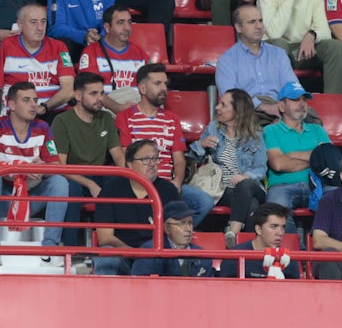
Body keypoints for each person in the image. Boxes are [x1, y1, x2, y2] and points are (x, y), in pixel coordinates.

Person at [0, 81, 71, 261]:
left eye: (35, 100)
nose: (33, 104)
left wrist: (42, 168)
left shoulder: (43, 127)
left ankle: (49, 248)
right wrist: (19, 167)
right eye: (26, 100)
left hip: (27, 199)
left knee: (59, 181)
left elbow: (55, 165)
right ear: (11, 104)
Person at [115, 63, 213, 224]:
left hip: (167, 184)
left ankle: (171, 235)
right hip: (140, 183)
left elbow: (179, 159)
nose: (163, 88)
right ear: (142, 88)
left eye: (165, 84)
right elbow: (126, 158)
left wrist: (177, 182)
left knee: (204, 202)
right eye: (157, 83)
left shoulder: (171, 119)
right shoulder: (125, 117)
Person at [44, 71, 124, 237]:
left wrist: (128, 177)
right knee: (70, 188)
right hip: (73, 176)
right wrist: (89, 183)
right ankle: (70, 250)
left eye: (102, 93)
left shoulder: (107, 119)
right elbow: (61, 166)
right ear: (78, 95)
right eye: (93, 93)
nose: (100, 98)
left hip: (100, 174)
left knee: (123, 185)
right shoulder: (62, 121)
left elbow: (118, 156)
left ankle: (115, 245)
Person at [192, 88, 269, 249]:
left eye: (223, 105)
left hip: (251, 186)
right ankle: (246, 251)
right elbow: (192, 158)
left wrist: (246, 176)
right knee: (252, 205)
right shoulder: (213, 128)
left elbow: (261, 168)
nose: (217, 107)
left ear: (237, 110)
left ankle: (232, 232)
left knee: (245, 185)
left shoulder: (256, 135)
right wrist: (201, 145)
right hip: (222, 189)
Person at [259, 0, 342, 94]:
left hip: (303, 49)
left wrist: (312, 34)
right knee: (280, 44)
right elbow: (274, 33)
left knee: (333, 45)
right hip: (275, 49)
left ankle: (333, 104)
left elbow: (324, 30)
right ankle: (279, 98)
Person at [92, 139, 181, 276]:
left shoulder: (169, 190)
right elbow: (105, 238)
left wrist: (152, 255)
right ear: (130, 164)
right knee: (107, 255)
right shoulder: (111, 188)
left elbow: (176, 234)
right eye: (145, 159)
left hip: (157, 257)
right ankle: (105, 296)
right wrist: (137, 255)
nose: (152, 164)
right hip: (124, 255)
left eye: (155, 159)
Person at [215, 4, 301, 119]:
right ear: (238, 27)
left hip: (280, 110)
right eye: (252, 22)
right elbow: (230, 98)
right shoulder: (226, 60)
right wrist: (263, 106)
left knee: (311, 120)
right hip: (248, 112)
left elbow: (292, 86)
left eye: (260, 21)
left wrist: (282, 106)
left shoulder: (279, 54)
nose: (259, 26)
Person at [0, 3, 76, 117]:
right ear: (20, 25)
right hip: (19, 116)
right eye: (33, 22)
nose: (40, 28)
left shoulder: (59, 47)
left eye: (43, 21)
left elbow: (69, 90)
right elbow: (0, 86)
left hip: (54, 113)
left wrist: (44, 107)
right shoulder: (8, 45)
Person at [263, 84, 331, 215]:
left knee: (341, 199)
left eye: (304, 100)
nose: (302, 104)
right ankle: (292, 237)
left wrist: (290, 155)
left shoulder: (317, 130)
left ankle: (322, 236)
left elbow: (330, 160)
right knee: (276, 208)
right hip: (282, 187)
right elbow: (278, 164)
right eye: (295, 100)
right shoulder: (270, 131)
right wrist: (316, 160)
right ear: (282, 106)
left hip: (318, 186)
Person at [79, 5, 150, 111]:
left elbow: (150, 84)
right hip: (105, 111)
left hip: (137, 109)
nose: (127, 28)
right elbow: (90, 90)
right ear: (107, 27)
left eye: (129, 22)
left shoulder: (139, 52)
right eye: (121, 23)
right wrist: (116, 107)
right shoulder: (91, 52)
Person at [132, 200, 220, 278]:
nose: (188, 228)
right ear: (167, 228)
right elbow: (141, 285)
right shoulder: (151, 251)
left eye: (190, 223)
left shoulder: (202, 255)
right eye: (182, 223)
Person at [221, 202, 302, 279]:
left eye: (283, 227)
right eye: (274, 227)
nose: (280, 233)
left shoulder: (287, 259)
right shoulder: (233, 257)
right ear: (258, 229)